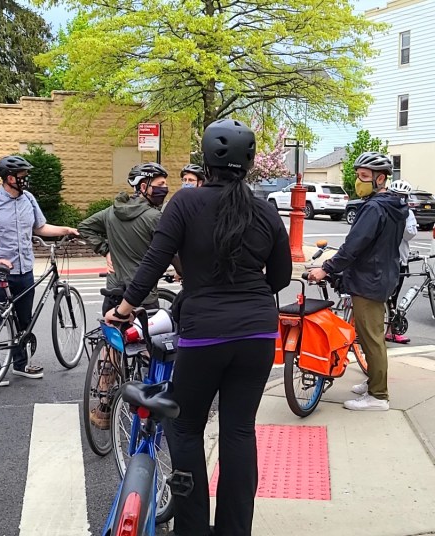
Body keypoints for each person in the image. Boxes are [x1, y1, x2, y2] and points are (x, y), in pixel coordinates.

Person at [105, 119, 292, 536]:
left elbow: (155, 260)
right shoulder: (265, 209)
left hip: (205, 331)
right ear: (250, 163)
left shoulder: (186, 203)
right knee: (239, 431)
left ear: (206, 161)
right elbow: (280, 277)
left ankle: (191, 527)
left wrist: (124, 308)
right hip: (258, 333)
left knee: (185, 425)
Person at [308, 152, 408, 411]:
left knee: (371, 339)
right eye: (358, 175)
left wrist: (326, 268)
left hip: (369, 280)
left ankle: (378, 396)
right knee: (369, 336)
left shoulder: (374, 208)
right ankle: (374, 381)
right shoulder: (392, 205)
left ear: (380, 179)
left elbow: (354, 245)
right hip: (381, 276)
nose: (358, 181)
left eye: (364, 176)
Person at [78, 162, 172, 429]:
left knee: (112, 347)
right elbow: (171, 249)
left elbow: (84, 227)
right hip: (143, 295)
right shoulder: (154, 218)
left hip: (114, 291)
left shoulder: (111, 212)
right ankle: (151, 406)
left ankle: (103, 409)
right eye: (160, 185)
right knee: (152, 348)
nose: (165, 189)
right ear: (143, 186)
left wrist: (105, 249)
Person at [0, 155, 79, 385]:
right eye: (22, 176)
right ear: (10, 178)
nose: (26, 179)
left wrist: (65, 229)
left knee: (23, 320)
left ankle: (20, 364)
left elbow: (40, 227)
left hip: (24, 271)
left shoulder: (28, 199)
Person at [385, 179, 417, 344]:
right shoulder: (382, 209)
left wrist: (402, 218)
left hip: (399, 260)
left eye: (402, 196)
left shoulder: (408, 214)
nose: (399, 199)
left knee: (394, 296)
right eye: (395, 195)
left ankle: (391, 331)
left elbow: (410, 234)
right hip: (382, 259)